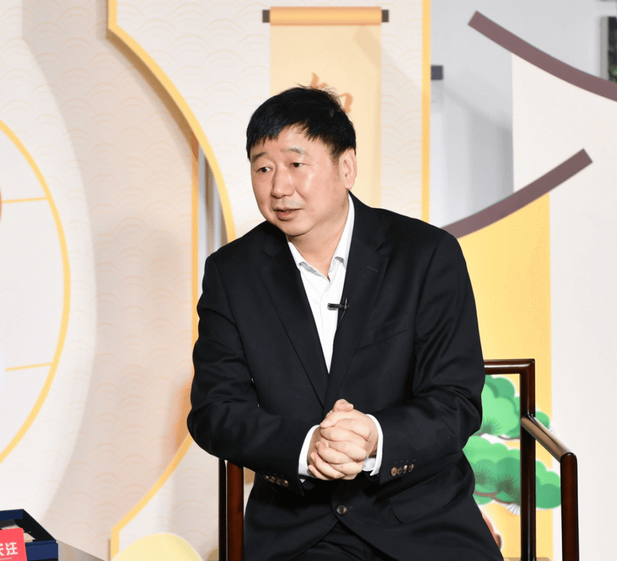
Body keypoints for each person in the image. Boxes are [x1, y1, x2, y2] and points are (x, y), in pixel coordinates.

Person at [187, 87, 503, 561]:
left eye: (296, 164)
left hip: (421, 517)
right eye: (263, 168)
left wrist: (376, 436)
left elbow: (455, 398)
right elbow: (214, 410)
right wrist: (307, 447)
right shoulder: (232, 273)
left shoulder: (426, 255)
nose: (279, 187)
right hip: (301, 528)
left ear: (347, 166)